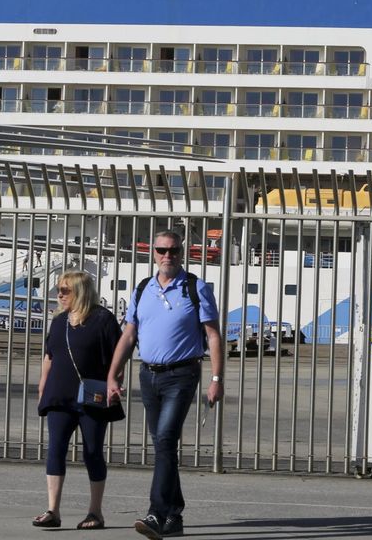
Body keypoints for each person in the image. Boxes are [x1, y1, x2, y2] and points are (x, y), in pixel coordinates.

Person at [107, 230, 224, 540]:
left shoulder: (195, 287)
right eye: (162, 250)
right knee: (163, 444)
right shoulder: (143, 288)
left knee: (165, 439)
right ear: (154, 252)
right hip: (148, 375)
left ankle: (156, 514)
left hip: (182, 374)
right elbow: (129, 334)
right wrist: (113, 374)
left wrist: (216, 379)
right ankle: (175, 513)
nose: (167, 256)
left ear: (181, 253)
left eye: (173, 250)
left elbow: (213, 335)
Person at [34, 270, 125, 530]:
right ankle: (52, 510)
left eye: (65, 290)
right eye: (58, 290)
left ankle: (95, 512)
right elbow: (50, 356)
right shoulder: (59, 321)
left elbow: (118, 357)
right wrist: (42, 384)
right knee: (56, 448)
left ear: (81, 292)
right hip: (59, 394)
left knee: (92, 451)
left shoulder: (103, 319)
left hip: (92, 396)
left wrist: (115, 382)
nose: (60, 295)